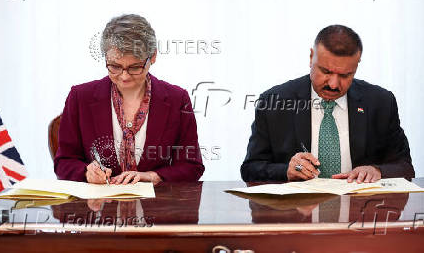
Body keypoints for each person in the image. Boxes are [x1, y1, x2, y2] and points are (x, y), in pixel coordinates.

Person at [241, 24, 414, 183]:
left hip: (359, 209)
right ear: (311, 58)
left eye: (345, 75)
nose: (333, 84)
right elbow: (250, 169)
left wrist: (377, 170)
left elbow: (405, 167)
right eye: (326, 71)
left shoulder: (380, 102)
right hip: (297, 212)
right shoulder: (274, 102)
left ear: (356, 66)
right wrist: (286, 170)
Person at [54, 14, 204, 185]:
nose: (124, 76)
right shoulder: (80, 97)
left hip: (157, 208)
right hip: (98, 208)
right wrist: (86, 173)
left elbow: (192, 166)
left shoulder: (178, 99)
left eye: (134, 67)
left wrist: (153, 176)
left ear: (153, 56)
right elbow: (64, 162)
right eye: (115, 66)